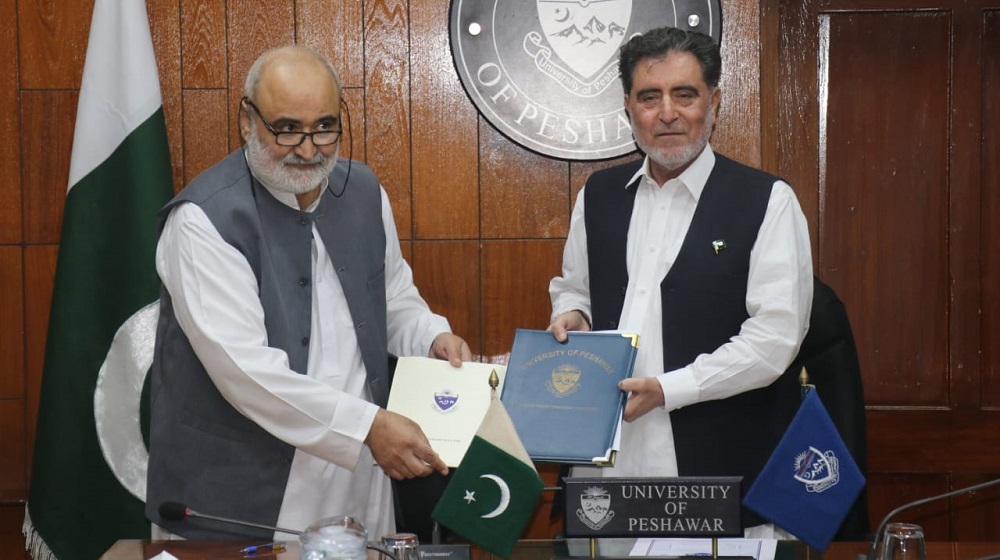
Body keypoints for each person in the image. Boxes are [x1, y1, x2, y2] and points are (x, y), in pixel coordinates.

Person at [145, 44, 472, 541]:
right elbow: (247, 374)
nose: (307, 148)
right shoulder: (201, 222)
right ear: (246, 121)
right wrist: (368, 427)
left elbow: (393, 297)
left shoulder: (362, 190)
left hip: (360, 478)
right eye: (286, 128)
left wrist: (429, 336)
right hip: (241, 497)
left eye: (324, 127)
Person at [547, 27, 813, 536]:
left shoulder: (767, 201)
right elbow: (574, 287)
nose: (667, 112)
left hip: (716, 483)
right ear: (628, 108)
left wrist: (671, 389)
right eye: (650, 97)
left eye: (684, 94)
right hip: (604, 478)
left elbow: (774, 339)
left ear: (714, 102)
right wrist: (573, 316)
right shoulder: (598, 195)